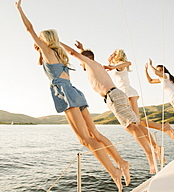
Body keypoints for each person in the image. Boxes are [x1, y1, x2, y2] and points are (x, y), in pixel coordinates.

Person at [15, 0, 130, 192]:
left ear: (46, 40)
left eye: (41, 40)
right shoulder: (56, 54)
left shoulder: (50, 52)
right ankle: (121, 163)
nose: (38, 41)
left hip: (66, 94)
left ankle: (114, 171)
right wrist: (39, 52)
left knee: (85, 140)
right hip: (76, 93)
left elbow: (29, 29)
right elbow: (47, 62)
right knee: (95, 134)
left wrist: (19, 9)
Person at [60, 41, 156, 174]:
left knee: (131, 127)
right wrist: (83, 49)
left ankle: (150, 156)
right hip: (116, 95)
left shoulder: (90, 63)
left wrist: (57, 42)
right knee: (137, 124)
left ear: (86, 59)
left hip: (113, 96)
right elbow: (84, 56)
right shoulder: (94, 65)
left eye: (81, 61)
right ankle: (155, 149)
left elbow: (72, 53)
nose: (80, 63)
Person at [104, 49, 174, 142]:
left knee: (138, 122)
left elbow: (128, 63)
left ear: (117, 55)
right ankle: (162, 130)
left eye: (113, 54)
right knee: (138, 122)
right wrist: (109, 62)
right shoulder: (115, 66)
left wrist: (112, 66)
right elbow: (110, 67)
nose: (111, 55)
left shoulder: (121, 64)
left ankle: (163, 130)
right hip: (125, 94)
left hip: (129, 93)